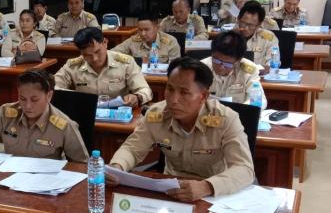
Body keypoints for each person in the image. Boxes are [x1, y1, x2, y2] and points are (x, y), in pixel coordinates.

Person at [108, 57, 255, 201]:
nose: (173, 100)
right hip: (171, 189)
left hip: (214, 194)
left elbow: (244, 169)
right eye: (170, 89)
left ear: (203, 96)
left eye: (184, 92)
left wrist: (207, 187)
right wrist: (117, 167)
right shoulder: (156, 114)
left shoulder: (226, 119)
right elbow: (132, 149)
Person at [54, 27, 152, 108]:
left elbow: (145, 90)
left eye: (97, 52)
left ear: (105, 42)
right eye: (87, 55)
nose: (95, 59)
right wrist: (71, 96)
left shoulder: (126, 63)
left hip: (117, 115)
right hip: (86, 112)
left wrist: (137, 97)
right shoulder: (73, 65)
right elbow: (52, 86)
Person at [202, 31, 267, 108]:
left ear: (238, 61)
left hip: (238, 113)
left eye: (227, 64)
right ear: (212, 53)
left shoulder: (249, 71)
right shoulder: (201, 68)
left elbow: (259, 100)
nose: (220, 67)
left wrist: (245, 110)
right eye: (216, 60)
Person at [234, 1, 279, 73]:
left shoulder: (268, 37)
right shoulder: (229, 37)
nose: (246, 28)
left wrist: (267, 67)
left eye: (251, 25)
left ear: (259, 24)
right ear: (238, 19)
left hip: (259, 77)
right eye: (243, 23)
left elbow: (273, 61)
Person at [111, 18, 181, 63]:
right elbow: (111, 53)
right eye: (140, 30)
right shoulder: (134, 40)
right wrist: (136, 60)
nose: (143, 34)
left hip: (162, 79)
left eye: (146, 29)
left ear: (157, 28)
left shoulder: (170, 42)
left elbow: (175, 66)